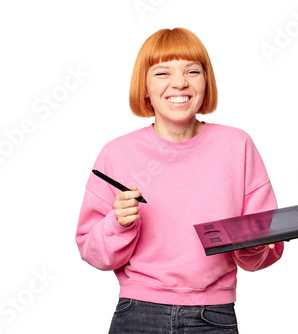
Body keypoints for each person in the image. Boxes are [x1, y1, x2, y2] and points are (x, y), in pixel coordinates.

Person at [75, 27, 284, 333]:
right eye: (162, 73)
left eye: (192, 70)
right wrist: (117, 223)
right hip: (138, 315)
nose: (179, 82)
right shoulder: (116, 154)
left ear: (206, 80)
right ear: (144, 86)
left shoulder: (237, 145)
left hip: (214, 317)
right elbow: (92, 252)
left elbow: (261, 257)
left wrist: (253, 243)